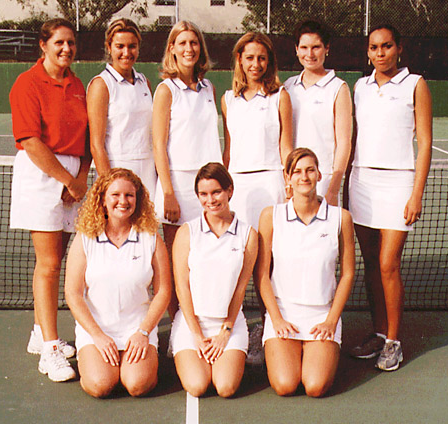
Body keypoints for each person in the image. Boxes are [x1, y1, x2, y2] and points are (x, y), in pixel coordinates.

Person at [346, 24, 432, 371]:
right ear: (368, 52)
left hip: (398, 184)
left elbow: (425, 142)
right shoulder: (360, 87)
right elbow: (354, 137)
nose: (380, 53)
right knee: (370, 264)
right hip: (361, 181)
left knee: (387, 264)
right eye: (374, 47)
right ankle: (379, 333)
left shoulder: (416, 84)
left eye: (386, 46)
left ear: (399, 48)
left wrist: (416, 194)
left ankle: (394, 341)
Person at [9, 18, 90, 382]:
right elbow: (30, 141)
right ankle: (50, 348)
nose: (66, 49)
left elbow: (87, 139)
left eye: (71, 43)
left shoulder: (78, 85)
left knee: (66, 259)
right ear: (43, 45)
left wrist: (80, 179)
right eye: (59, 42)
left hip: (73, 177)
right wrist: (67, 181)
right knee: (50, 263)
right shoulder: (26, 83)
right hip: (41, 174)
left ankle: (40, 331)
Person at [256, 148, 355, 397]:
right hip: (283, 313)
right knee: (285, 385)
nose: (304, 176)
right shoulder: (271, 216)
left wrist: (331, 320)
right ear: (287, 178)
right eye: (297, 171)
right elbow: (262, 275)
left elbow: (348, 274)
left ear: (319, 174)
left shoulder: (341, 218)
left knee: (315, 387)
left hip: (322, 315)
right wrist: (276, 319)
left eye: (310, 170)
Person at [65, 168, 171, 398]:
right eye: (115, 195)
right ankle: (97, 363)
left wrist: (143, 332)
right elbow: (73, 294)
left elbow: (163, 291)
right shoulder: (85, 238)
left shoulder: (151, 238)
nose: (123, 201)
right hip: (97, 330)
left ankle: (139, 361)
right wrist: (98, 335)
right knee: (100, 385)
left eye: (129, 195)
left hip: (138, 328)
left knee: (137, 385)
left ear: (137, 199)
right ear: (103, 200)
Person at [221, 31, 293, 365]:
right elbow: (229, 149)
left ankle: (269, 329)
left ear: (269, 61)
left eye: (261, 58)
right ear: (239, 59)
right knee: (238, 262)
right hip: (238, 188)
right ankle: (233, 331)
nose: (255, 64)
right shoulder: (228, 99)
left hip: (271, 183)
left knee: (268, 262)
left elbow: (286, 145)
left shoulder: (280, 96)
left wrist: (289, 183)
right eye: (249, 57)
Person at [152, 21, 222, 317]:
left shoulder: (209, 88)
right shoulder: (166, 90)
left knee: (205, 257)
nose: (188, 48)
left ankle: (203, 318)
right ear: (172, 48)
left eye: (193, 43)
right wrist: (169, 193)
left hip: (208, 188)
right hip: (178, 187)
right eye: (182, 43)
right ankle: (178, 324)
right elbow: (158, 145)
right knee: (175, 261)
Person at [170, 163, 258, 397]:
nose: (210, 200)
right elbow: (182, 287)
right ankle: (180, 345)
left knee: (226, 387)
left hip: (229, 324)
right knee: (197, 386)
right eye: (203, 194)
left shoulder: (248, 235)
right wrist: (197, 335)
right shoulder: (186, 232)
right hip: (191, 325)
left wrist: (225, 332)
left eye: (216, 192)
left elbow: (240, 289)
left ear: (230, 190)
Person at [87, 18, 156, 201]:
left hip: (148, 170)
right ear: (109, 47)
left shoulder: (145, 82)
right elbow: (96, 145)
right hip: (117, 170)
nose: (126, 52)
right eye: (120, 46)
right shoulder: (101, 84)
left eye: (132, 46)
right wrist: (111, 186)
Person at [284, 20, 352, 205]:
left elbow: (344, 143)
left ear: (326, 48)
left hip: (323, 181)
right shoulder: (288, 86)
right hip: (293, 180)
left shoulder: (339, 88)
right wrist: (288, 180)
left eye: (316, 47)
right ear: (296, 49)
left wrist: (333, 190)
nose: (310, 54)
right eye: (304, 47)